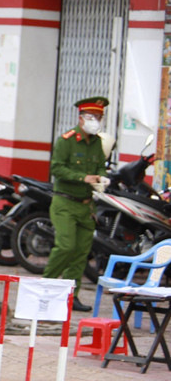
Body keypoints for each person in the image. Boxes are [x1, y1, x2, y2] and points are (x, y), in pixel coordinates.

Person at [46, 96, 109, 312]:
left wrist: (102, 177)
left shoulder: (97, 142)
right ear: (81, 118)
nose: (96, 121)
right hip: (65, 201)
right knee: (66, 246)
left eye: (99, 117)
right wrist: (82, 178)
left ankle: (71, 296)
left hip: (86, 205)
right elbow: (56, 168)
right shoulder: (66, 140)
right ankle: (46, 287)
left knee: (81, 253)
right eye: (92, 117)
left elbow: (101, 165)